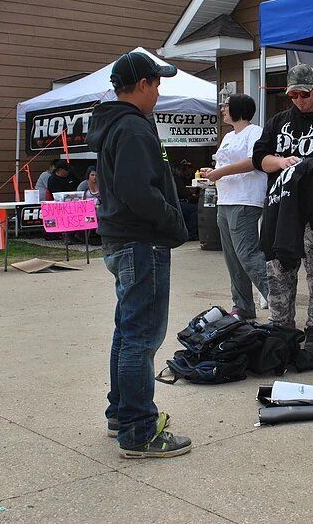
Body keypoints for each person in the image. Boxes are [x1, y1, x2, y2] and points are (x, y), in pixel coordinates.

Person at [86, 50, 191, 459]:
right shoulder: (131, 128)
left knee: (127, 330)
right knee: (141, 336)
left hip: (122, 239)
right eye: (157, 83)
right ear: (143, 84)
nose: (160, 92)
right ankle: (138, 429)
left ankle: (121, 413)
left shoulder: (114, 123)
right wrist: (173, 221)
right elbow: (138, 191)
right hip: (140, 241)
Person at [252, 63, 313, 353]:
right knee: (278, 266)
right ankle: (281, 323)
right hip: (280, 207)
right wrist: (282, 163)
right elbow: (259, 157)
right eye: (293, 95)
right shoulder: (278, 120)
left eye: (304, 95)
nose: (298, 100)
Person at [200, 94, 270, 319]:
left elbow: (253, 161)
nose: (222, 109)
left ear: (239, 109)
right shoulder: (229, 136)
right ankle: (242, 305)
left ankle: (277, 298)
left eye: (226, 106)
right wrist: (211, 173)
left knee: (248, 254)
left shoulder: (255, 132)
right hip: (225, 199)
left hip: (245, 200)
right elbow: (224, 164)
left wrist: (219, 172)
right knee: (232, 257)